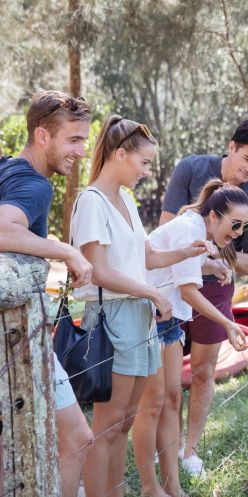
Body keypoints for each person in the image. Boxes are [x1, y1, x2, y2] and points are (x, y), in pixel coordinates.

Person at [70, 115, 209, 497]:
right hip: (114, 316)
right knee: (108, 424)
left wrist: (186, 250)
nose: (148, 172)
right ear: (119, 154)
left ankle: (115, 491)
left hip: (139, 317)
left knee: (125, 423)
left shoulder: (127, 200)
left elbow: (145, 255)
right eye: (144, 163)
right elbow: (97, 271)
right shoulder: (91, 201)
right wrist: (153, 293)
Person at [160, 119, 248, 476]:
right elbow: (166, 229)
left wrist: (215, 257)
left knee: (202, 372)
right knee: (166, 379)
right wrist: (202, 254)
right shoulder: (191, 169)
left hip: (216, 290)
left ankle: (189, 452)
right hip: (170, 284)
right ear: (230, 146)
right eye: (246, 159)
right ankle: (167, 443)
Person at [0, 89, 93, 497]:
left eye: (84, 140)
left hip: (18, 339)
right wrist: (66, 248)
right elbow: (4, 229)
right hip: (19, 343)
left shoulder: (7, 168)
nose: (81, 150)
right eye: (73, 139)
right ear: (42, 136)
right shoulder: (37, 186)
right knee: (76, 438)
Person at [133, 179, 248, 497]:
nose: (238, 233)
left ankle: (173, 485)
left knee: (172, 399)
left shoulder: (197, 230)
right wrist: (228, 323)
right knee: (153, 404)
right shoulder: (189, 228)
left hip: (169, 320)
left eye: (244, 226)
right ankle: (150, 486)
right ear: (213, 216)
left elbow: (184, 262)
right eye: (235, 224)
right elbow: (188, 290)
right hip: (148, 320)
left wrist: (211, 264)